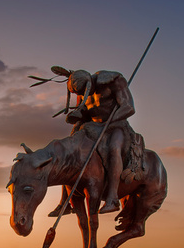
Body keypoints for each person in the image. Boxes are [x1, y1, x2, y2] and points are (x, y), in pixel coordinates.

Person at [49, 68, 140, 216]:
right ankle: (64, 202)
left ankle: (112, 199)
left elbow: (129, 107)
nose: (83, 95)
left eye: (84, 91)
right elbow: (86, 113)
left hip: (116, 126)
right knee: (71, 151)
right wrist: (79, 115)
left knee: (114, 148)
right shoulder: (83, 92)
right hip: (93, 128)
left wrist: (108, 121)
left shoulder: (113, 81)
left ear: (89, 82)